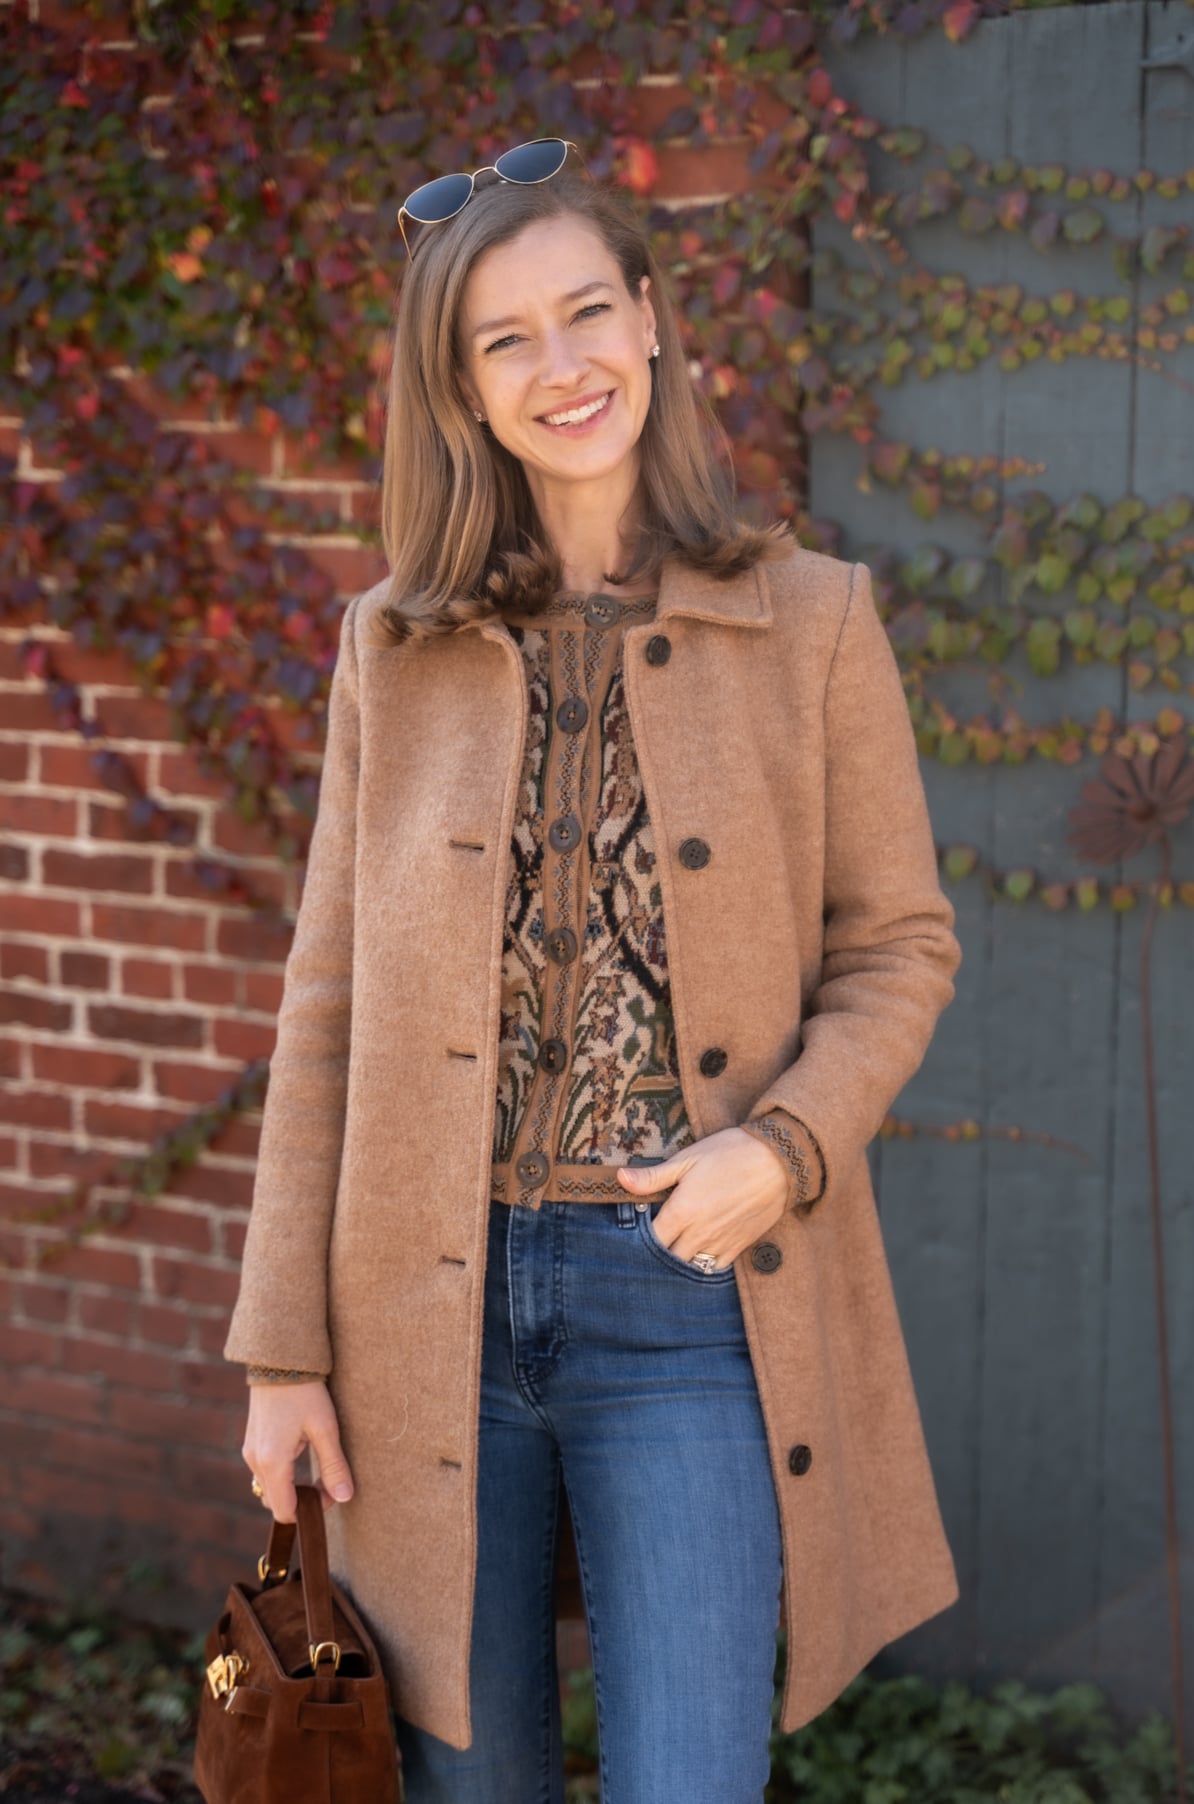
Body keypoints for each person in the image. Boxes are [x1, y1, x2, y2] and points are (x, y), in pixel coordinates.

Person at [225, 139, 963, 1804]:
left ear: (649, 320)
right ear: (463, 391)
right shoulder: (392, 648)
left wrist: (782, 1149)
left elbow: (899, 947)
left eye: (584, 314)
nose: (559, 366)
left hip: (690, 1306)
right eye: (505, 340)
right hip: (420, 1315)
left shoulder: (814, 620)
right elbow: (325, 1008)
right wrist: (282, 1356)